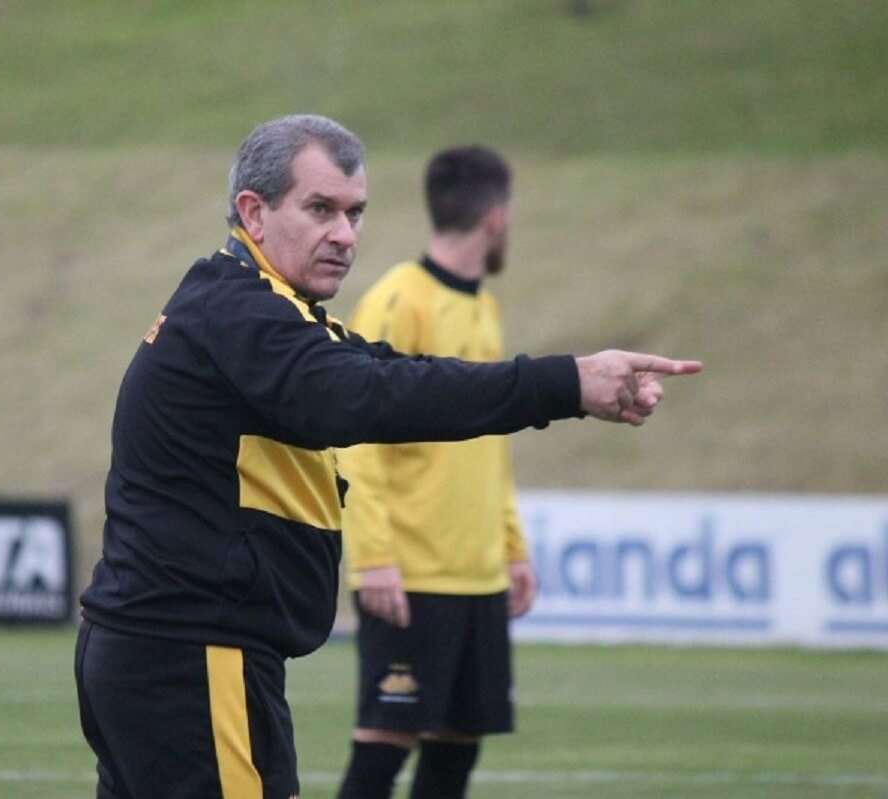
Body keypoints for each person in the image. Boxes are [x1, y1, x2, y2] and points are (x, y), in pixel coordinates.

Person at [74, 114, 700, 799]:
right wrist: (567, 382)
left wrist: (563, 387)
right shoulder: (241, 314)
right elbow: (367, 396)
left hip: (161, 649)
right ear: (253, 212)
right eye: (320, 209)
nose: (344, 234)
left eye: (355, 212)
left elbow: (388, 371)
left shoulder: (259, 308)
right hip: (193, 657)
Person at [334, 146, 536, 799]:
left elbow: (491, 442)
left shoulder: (485, 307)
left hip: (477, 573)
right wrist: (374, 558)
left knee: (454, 755)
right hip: (412, 574)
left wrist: (511, 545)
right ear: (497, 217)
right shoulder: (399, 299)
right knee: (382, 751)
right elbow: (355, 437)